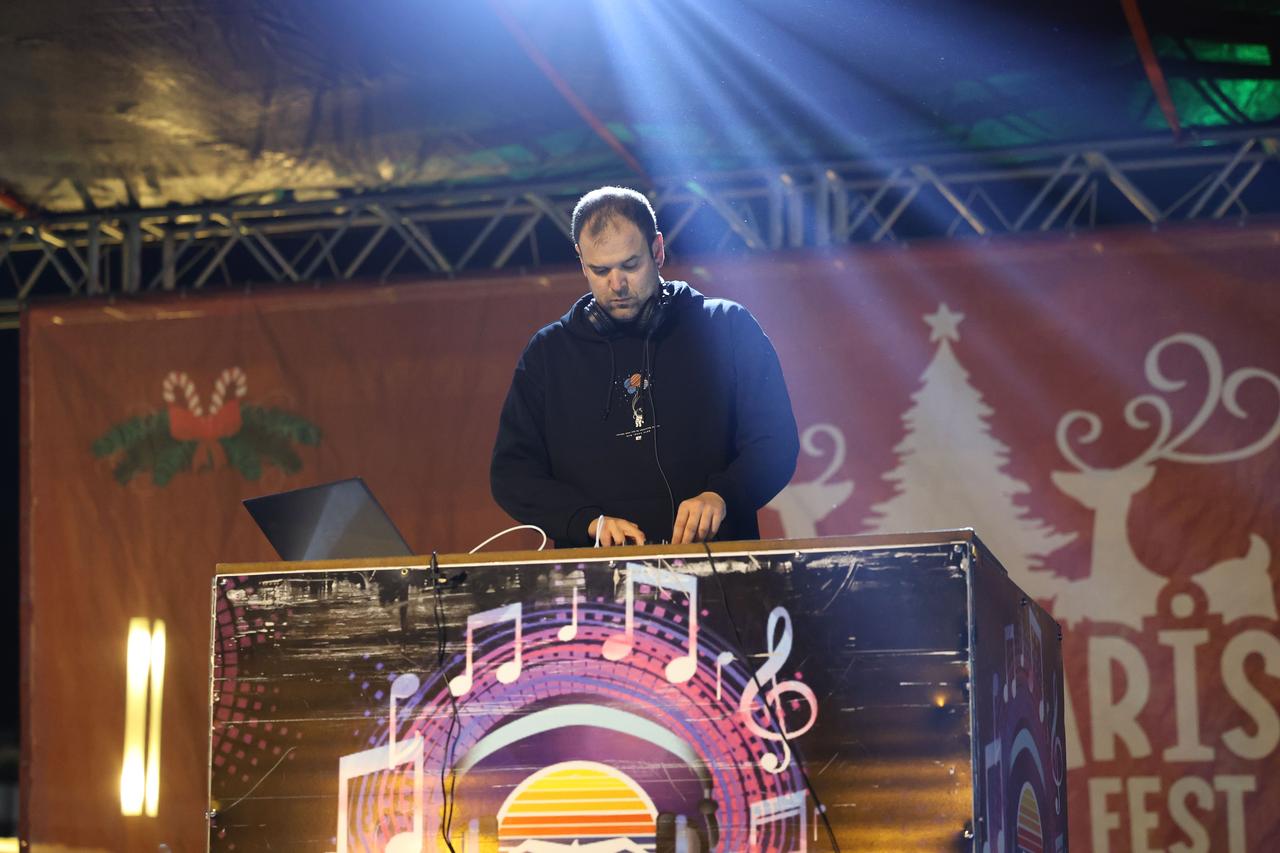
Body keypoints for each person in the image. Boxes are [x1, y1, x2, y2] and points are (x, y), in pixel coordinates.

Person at [490, 186, 799, 547]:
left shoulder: (726, 327)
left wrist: (723, 496)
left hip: (719, 569)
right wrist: (587, 522)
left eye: (630, 265)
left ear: (657, 250)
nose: (617, 284)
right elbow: (512, 473)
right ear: (580, 260)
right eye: (600, 270)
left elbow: (775, 442)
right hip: (596, 583)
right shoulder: (548, 353)